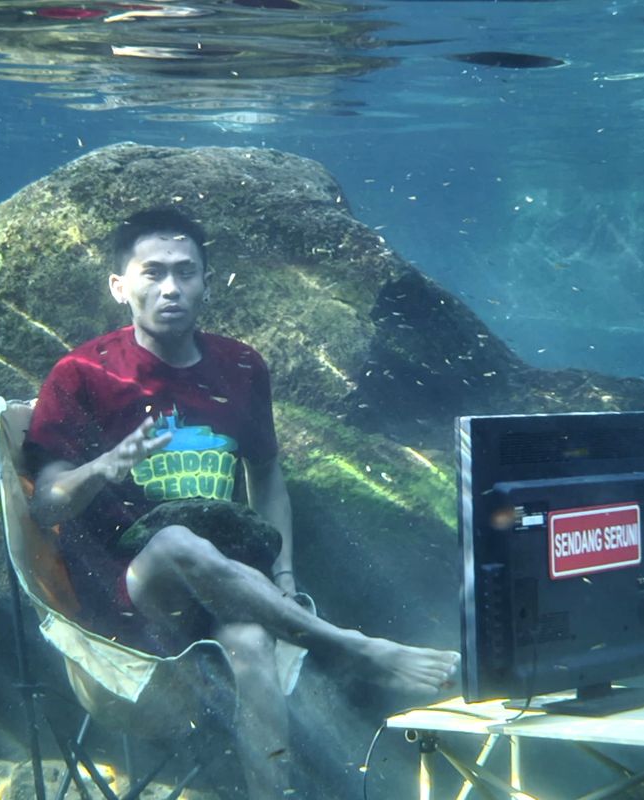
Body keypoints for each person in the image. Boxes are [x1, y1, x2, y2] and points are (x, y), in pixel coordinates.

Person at [24, 207, 458, 800]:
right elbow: (46, 506)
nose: (170, 287)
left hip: (224, 588)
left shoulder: (242, 366)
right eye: (152, 273)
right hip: (125, 597)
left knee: (253, 643)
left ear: (207, 281)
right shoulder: (80, 374)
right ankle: (353, 647)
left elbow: (267, 474)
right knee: (175, 542)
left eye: (186, 272)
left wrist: (282, 575)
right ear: (119, 287)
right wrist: (103, 466)